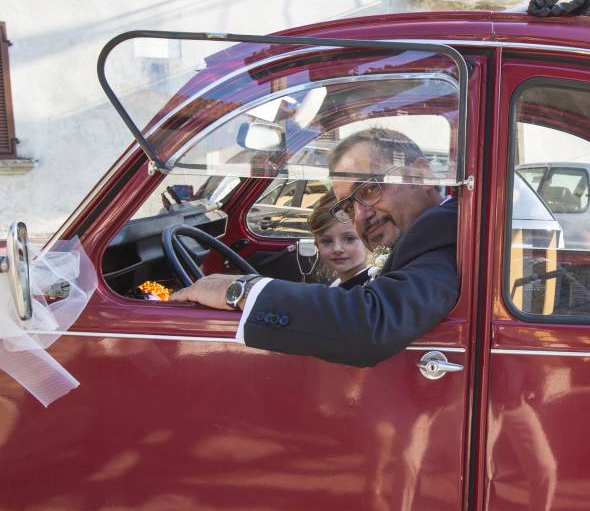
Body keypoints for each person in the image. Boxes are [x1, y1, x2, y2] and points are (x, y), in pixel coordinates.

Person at [170, 127, 459, 366]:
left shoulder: (445, 239)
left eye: (370, 189)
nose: (361, 215)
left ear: (420, 175)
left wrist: (240, 290)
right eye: (348, 207)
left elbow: (372, 324)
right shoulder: (430, 234)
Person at [306, 192, 370, 289]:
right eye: (327, 241)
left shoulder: (375, 290)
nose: (337, 249)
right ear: (317, 245)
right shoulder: (333, 288)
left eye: (349, 239)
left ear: (368, 239)